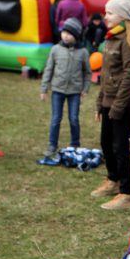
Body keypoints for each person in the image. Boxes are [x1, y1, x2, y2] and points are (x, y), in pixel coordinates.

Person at [92, 0, 130, 210]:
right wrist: (100, 103)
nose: (106, 16)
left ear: (124, 16)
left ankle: (126, 193)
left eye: (110, 13)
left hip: (121, 103)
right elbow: (106, 74)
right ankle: (112, 179)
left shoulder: (126, 41)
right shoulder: (110, 37)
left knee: (120, 146)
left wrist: (118, 106)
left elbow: (129, 76)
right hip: (108, 100)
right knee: (105, 142)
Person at [39, 18, 91, 160]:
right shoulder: (55, 49)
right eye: (64, 32)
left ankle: (75, 144)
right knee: (56, 118)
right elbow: (48, 69)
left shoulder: (83, 52)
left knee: (74, 118)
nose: (66, 36)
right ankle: (52, 145)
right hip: (58, 90)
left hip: (74, 91)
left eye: (69, 33)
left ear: (76, 35)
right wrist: (44, 89)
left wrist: (85, 88)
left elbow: (87, 72)